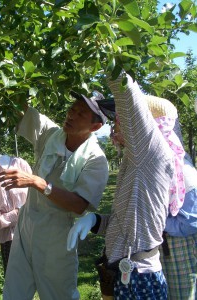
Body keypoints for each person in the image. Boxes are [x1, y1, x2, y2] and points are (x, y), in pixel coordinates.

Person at [67, 72, 185, 299]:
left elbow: (128, 99)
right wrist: (95, 221)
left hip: (138, 279)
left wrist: (112, 56)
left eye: (119, 118)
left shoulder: (152, 153)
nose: (115, 125)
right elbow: (128, 221)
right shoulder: (136, 162)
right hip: (127, 275)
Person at [0, 91, 109, 300]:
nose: (71, 115)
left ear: (96, 126)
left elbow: (79, 205)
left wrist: (37, 182)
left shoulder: (96, 160)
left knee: (58, 295)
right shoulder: (51, 134)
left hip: (57, 237)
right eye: (72, 109)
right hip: (27, 226)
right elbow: (22, 108)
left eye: (81, 114)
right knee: (14, 292)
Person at [159, 118, 197, 299]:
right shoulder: (161, 166)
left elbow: (189, 223)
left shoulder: (184, 171)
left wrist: (157, 220)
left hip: (180, 251)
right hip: (162, 248)